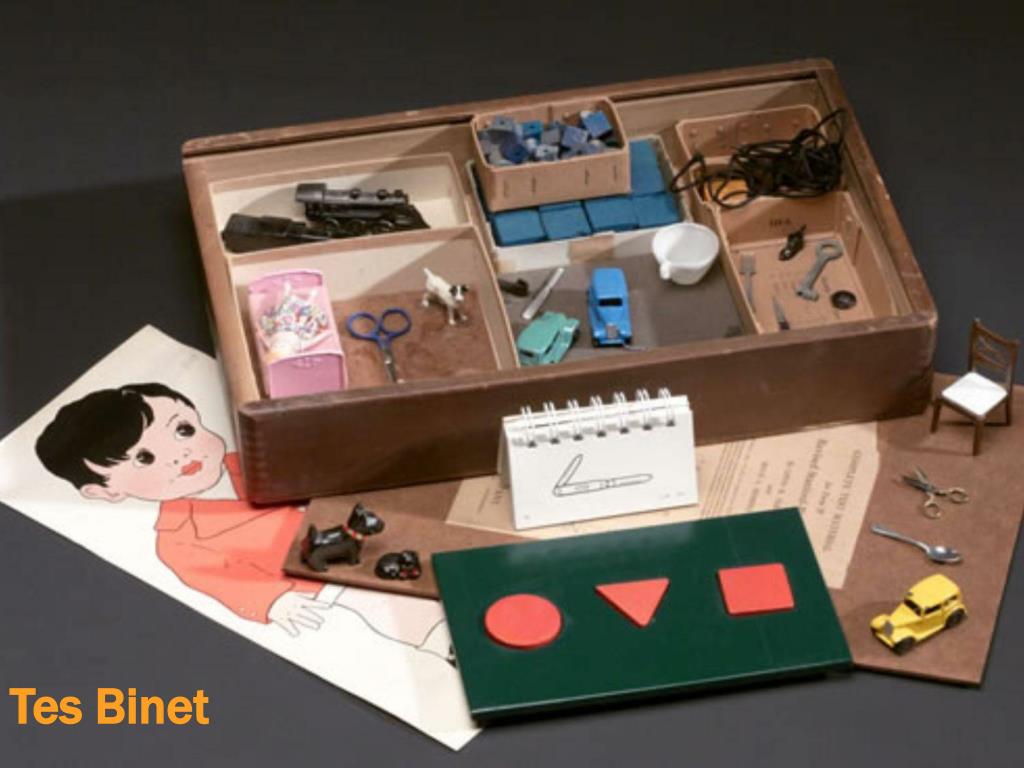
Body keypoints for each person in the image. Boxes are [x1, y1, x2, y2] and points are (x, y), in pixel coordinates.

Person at [35, 382, 450, 660]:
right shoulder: (176, 537)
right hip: (312, 581)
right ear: (106, 491)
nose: (182, 454)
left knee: (427, 566)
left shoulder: (254, 459)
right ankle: (446, 648)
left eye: (183, 430)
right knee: (384, 612)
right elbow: (217, 579)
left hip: (355, 536)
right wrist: (273, 601)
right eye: (145, 458)